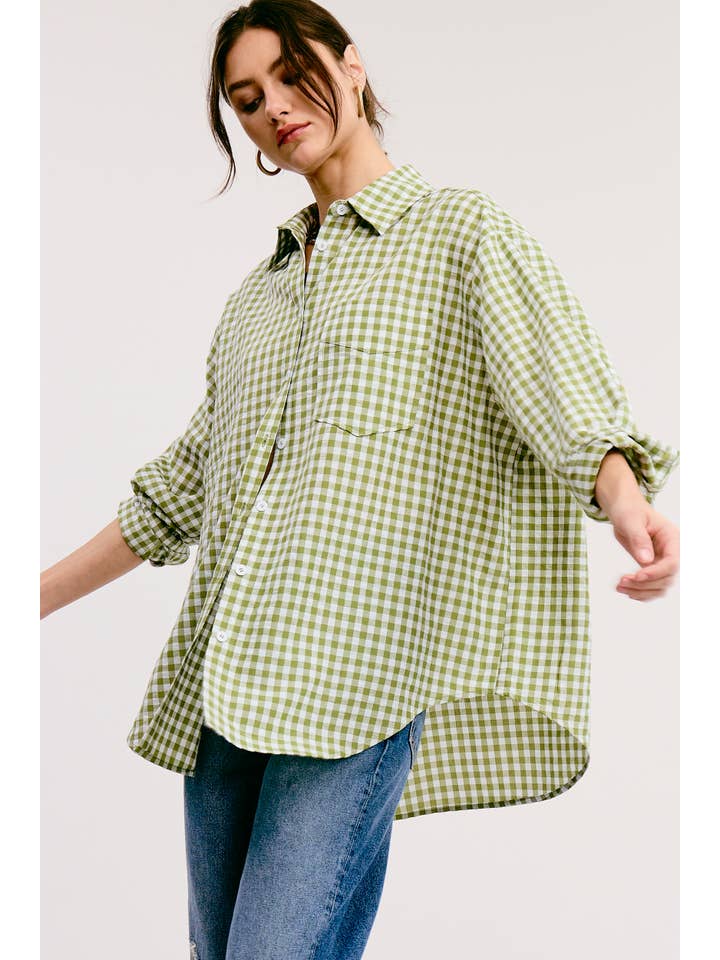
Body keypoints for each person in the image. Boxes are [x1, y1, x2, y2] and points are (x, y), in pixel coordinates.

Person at [40, 1, 681, 958]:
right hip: (229, 677)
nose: (273, 108)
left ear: (350, 64)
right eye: (246, 98)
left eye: (291, 75)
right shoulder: (258, 296)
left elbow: (560, 387)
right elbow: (179, 490)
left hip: (360, 674)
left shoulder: (459, 233)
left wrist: (626, 499)